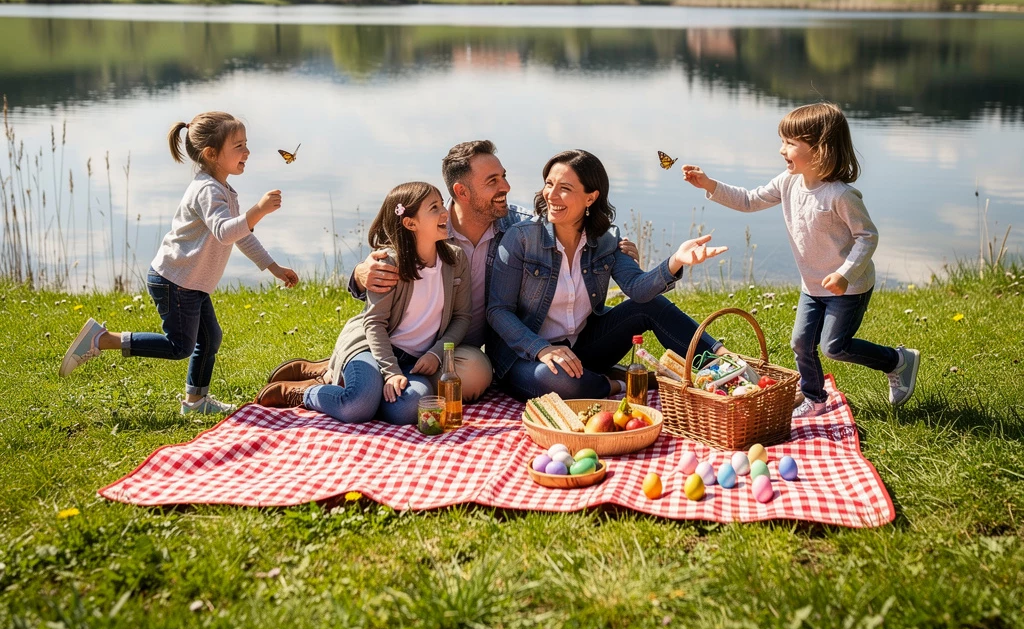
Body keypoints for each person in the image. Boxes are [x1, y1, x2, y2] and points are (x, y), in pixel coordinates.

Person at [265, 140, 638, 387]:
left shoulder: (519, 228)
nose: (506, 187)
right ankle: (331, 371)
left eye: (504, 176)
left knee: (473, 378)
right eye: (493, 181)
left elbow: (566, 229)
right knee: (392, 379)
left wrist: (611, 246)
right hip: (400, 337)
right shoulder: (425, 226)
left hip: (459, 347)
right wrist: (360, 274)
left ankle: (345, 370)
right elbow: (379, 263)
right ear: (462, 192)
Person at [682, 101, 920, 417]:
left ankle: (898, 360)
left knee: (834, 347)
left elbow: (867, 237)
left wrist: (846, 273)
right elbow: (750, 200)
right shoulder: (788, 181)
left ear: (820, 149)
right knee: (800, 343)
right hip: (813, 286)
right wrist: (709, 184)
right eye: (783, 141)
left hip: (848, 288)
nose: (782, 150)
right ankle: (815, 399)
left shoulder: (840, 195)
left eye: (791, 144)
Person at [60, 111, 298, 415]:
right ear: (211, 154)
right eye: (238, 146)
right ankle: (102, 339)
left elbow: (240, 235)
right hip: (174, 280)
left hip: (191, 282)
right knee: (179, 346)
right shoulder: (207, 191)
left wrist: (273, 267)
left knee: (210, 338)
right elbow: (225, 232)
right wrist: (259, 210)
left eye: (246, 144)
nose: (247, 152)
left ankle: (195, 402)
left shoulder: (223, 189)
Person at [486, 148, 729, 401]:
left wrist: (676, 261)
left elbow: (638, 289)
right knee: (558, 382)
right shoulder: (522, 238)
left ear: (590, 198)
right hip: (526, 356)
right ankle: (617, 383)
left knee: (650, 306)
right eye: (549, 184)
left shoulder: (606, 239)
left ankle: (724, 366)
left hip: (583, 349)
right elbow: (498, 310)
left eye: (565, 188)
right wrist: (542, 349)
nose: (552, 195)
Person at [257, 182, 491, 422]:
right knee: (356, 407)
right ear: (411, 223)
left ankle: (351, 382)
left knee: (409, 407)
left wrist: (436, 353)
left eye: (442, 204)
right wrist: (390, 373)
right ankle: (305, 393)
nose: (444, 212)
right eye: (434, 207)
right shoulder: (388, 263)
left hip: (414, 361)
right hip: (371, 347)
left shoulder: (454, 258)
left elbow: (462, 317)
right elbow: (375, 324)